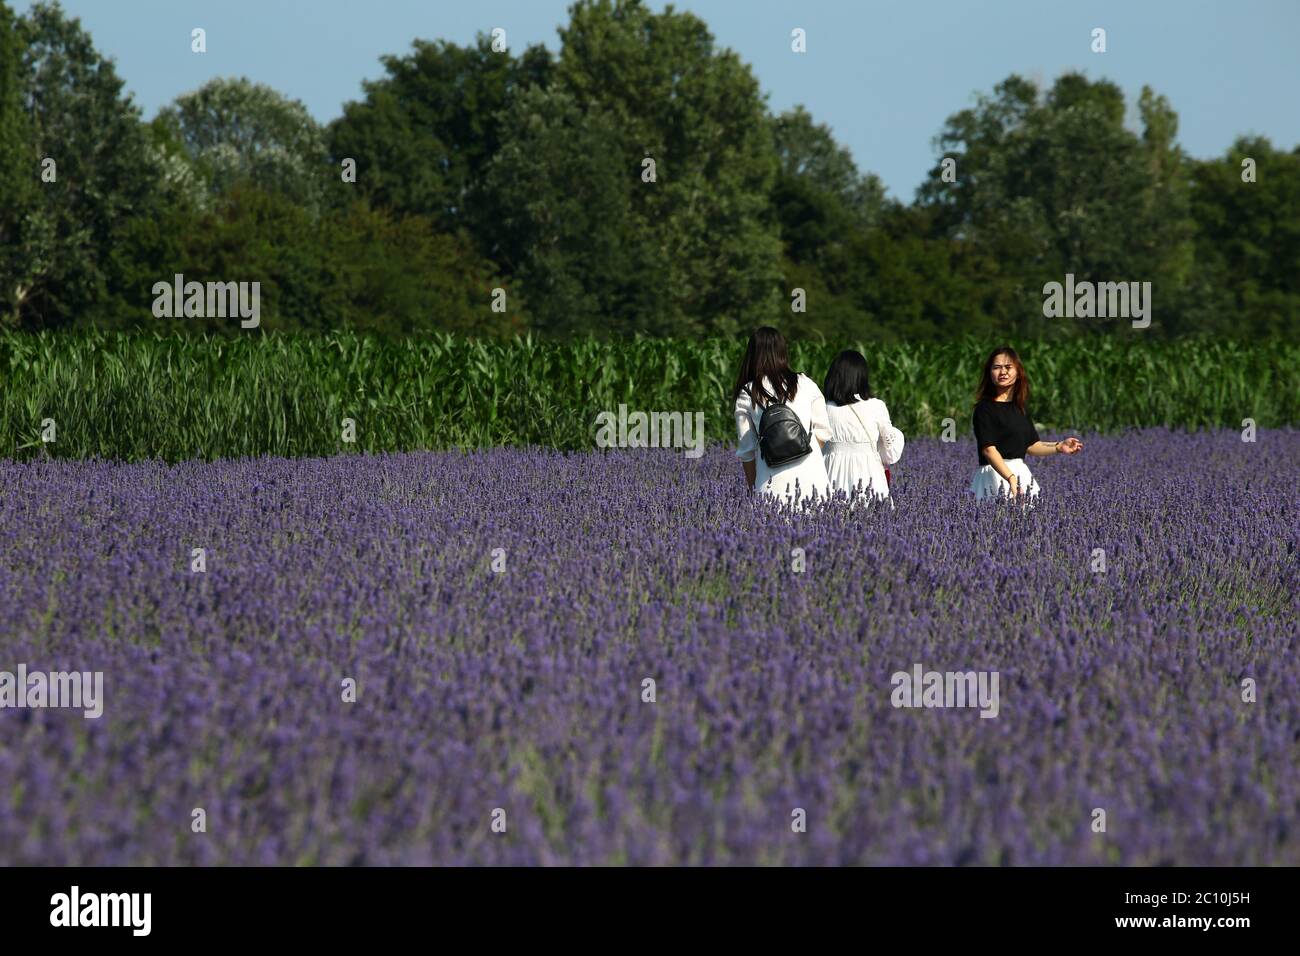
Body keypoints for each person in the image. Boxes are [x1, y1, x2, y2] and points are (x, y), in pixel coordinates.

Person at [733, 327, 832, 506]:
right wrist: (797, 448)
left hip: (770, 484)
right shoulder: (806, 383)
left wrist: (753, 490)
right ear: (783, 351)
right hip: (812, 480)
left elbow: (747, 451)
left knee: (771, 533)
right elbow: (824, 432)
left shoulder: (748, 392)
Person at [970, 346, 1084, 501]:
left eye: (1008, 367)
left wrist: (1058, 446)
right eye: (997, 367)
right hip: (994, 476)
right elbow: (989, 450)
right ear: (990, 374)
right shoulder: (985, 408)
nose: (1003, 372)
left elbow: (1031, 445)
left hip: (1020, 475)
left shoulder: (1020, 408)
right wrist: (1010, 478)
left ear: (1018, 373)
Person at [821, 350, 904, 503]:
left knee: (829, 520)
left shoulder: (823, 407)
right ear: (862, 378)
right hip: (869, 477)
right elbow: (891, 454)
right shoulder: (876, 406)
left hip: (830, 474)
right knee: (873, 520)